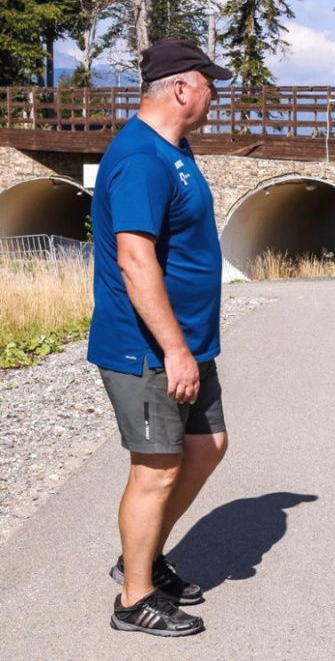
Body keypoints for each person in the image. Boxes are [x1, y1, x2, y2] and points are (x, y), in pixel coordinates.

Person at [88, 38, 233, 637]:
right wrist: (174, 348)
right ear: (180, 88)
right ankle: (133, 598)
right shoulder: (142, 160)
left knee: (208, 447)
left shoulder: (174, 148)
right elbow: (134, 260)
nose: (215, 96)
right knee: (156, 469)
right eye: (209, 85)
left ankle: (143, 557)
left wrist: (189, 345)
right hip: (146, 347)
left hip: (187, 343)